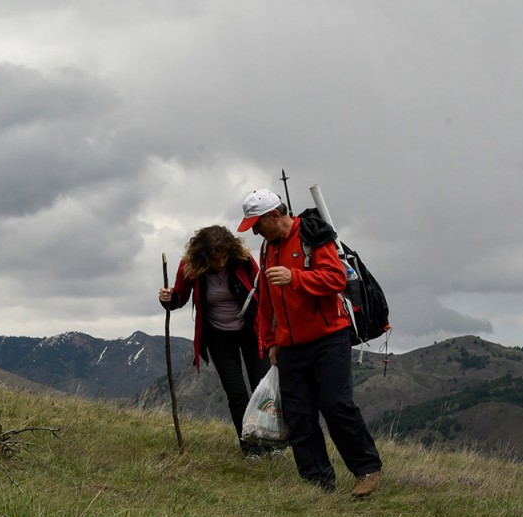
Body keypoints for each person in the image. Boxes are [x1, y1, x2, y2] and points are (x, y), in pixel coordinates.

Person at [238, 188, 381, 496]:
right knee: (299, 414)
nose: (256, 231)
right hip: (290, 346)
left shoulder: (314, 236)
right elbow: (265, 301)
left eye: (257, 224)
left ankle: (366, 469)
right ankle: (317, 482)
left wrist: (295, 278)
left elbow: (335, 279)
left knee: (335, 404)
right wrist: (272, 342)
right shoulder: (267, 248)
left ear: (275, 216)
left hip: (330, 337)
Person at [159, 225, 271, 459]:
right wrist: (168, 298)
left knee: (262, 390)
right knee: (236, 393)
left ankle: (272, 443)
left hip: (252, 332)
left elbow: (263, 290)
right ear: (203, 257)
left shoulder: (242, 260)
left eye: (223, 258)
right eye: (214, 260)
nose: (220, 264)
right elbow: (180, 297)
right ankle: (251, 449)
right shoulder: (189, 265)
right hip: (219, 337)